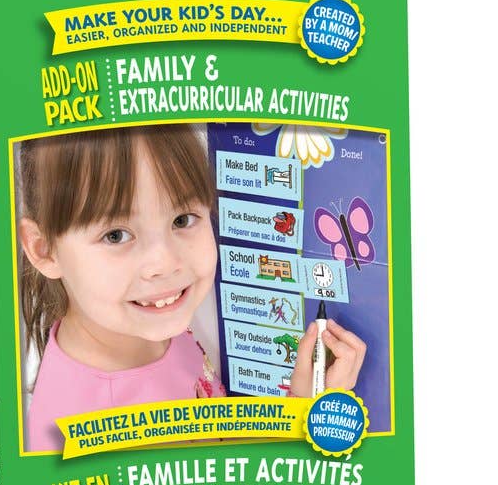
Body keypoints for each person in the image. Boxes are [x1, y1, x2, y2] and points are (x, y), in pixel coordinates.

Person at [18, 124, 365, 451]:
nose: (166, 263)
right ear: (44, 249)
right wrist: (311, 424)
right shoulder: (102, 436)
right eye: (115, 235)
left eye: (182, 219)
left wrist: (302, 401)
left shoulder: (144, 322)